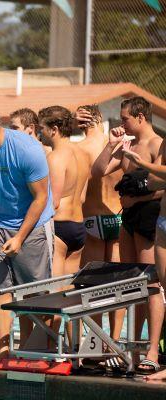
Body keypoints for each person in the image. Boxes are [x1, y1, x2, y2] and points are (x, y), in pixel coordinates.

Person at [0, 103, 54, 368]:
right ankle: (4, 352)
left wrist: (21, 236)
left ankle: (33, 352)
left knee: (33, 293)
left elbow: (41, 198)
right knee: (0, 291)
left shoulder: (27, 149)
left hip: (34, 224)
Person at [92, 96, 164, 373]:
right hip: (128, 219)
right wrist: (111, 145)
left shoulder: (157, 145)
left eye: (125, 118)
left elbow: (163, 185)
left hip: (149, 216)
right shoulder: (126, 145)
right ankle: (128, 345)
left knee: (151, 282)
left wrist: (137, 200)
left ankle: (153, 349)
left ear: (140, 117)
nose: (121, 123)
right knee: (130, 282)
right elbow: (98, 171)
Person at [75, 104, 125, 343]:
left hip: (91, 220)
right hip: (117, 216)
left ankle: (95, 340)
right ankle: (113, 342)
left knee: (92, 285)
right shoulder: (119, 145)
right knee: (118, 286)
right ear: (100, 118)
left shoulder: (79, 149)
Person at [38, 106, 89, 277]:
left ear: (54, 130)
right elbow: (82, 197)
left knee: (54, 293)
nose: (40, 134)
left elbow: (54, 202)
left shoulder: (55, 157)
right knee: (70, 296)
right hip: (78, 225)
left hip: (59, 227)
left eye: (41, 129)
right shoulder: (83, 154)